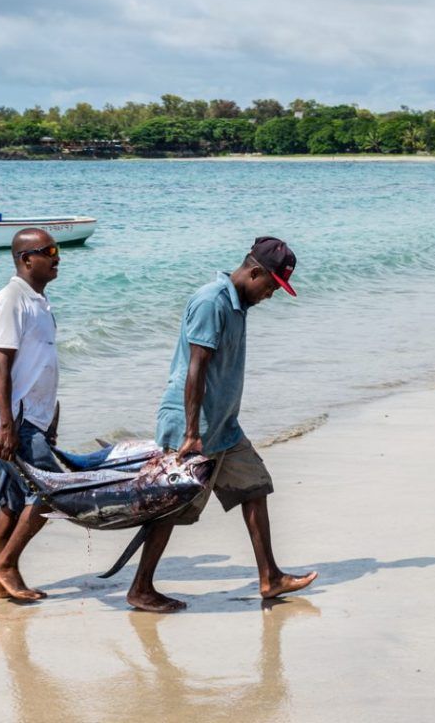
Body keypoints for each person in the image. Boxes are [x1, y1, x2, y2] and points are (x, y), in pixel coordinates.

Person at [127, 236, 319, 612]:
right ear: (254, 271)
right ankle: (140, 588)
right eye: (271, 286)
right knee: (172, 508)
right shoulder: (211, 301)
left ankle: (270, 577)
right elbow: (195, 368)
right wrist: (191, 433)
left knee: (255, 486)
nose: (271, 295)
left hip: (225, 426)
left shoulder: (238, 305)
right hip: (193, 426)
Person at [0, 228, 62, 602]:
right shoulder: (11, 299)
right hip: (13, 419)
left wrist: (51, 419)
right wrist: (8, 426)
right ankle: (6, 565)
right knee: (53, 490)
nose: (58, 257)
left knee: (12, 500)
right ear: (27, 259)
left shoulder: (38, 301)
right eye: (49, 251)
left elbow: (41, 363)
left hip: (31, 419)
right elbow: (1, 364)